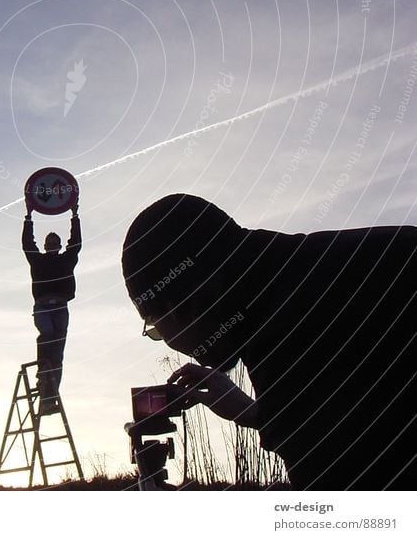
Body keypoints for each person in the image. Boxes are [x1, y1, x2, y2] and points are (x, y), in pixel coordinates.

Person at [121, 193, 417, 490]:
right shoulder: (312, 268)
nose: (170, 343)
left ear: (183, 305)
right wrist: (258, 414)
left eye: (158, 329)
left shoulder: (285, 335)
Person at [22, 196, 81, 413]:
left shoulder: (66, 260)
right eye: (51, 244)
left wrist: (74, 215)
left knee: (57, 351)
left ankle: (50, 394)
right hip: (45, 307)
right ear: (47, 246)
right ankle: (43, 375)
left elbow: (76, 244)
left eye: (56, 244)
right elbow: (28, 244)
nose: (54, 247)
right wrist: (28, 216)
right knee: (47, 337)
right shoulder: (39, 261)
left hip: (60, 307)